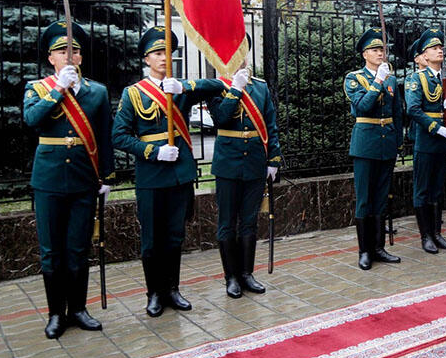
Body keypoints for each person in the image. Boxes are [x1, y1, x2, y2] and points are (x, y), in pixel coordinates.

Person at [112, 26, 225, 315]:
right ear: (146, 59)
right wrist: (153, 151)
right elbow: (120, 136)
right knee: (151, 239)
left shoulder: (178, 89)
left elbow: (219, 86)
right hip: (151, 175)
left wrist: (184, 87)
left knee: (175, 235)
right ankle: (154, 293)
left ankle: (173, 290)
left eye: (168, 53)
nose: (165, 58)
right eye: (158, 53)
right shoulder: (133, 94)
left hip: (180, 175)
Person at [24, 22, 113, 339]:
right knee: (51, 251)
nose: (70, 55)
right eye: (63, 51)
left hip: (83, 180)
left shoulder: (97, 92)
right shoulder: (36, 88)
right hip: (48, 180)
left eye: (75, 50)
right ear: (51, 58)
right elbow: (33, 120)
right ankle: (55, 314)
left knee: (78, 247)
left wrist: (106, 176)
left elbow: (104, 137)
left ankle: (77, 309)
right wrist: (58, 90)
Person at [208, 37, 282, 298]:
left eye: (243, 51)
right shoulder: (217, 87)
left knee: (249, 221)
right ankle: (231, 277)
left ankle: (247, 273)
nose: (239, 57)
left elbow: (271, 126)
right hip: (228, 164)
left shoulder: (260, 88)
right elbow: (220, 118)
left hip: (254, 162)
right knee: (227, 221)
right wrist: (235, 89)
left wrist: (273, 159)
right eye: (233, 51)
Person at [342, 28, 404, 270]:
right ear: (365, 54)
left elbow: (398, 113)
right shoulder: (354, 78)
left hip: (386, 142)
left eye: (382, 49)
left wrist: (398, 142)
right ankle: (364, 251)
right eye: (376, 50)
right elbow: (364, 106)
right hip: (365, 144)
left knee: (381, 199)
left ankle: (379, 248)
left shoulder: (390, 79)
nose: (381, 53)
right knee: (365, 199)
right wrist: (378, 80)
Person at [404, 29, 446, 254]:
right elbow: (413, 109)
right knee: (423, 188)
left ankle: (437, 234)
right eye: (433, 48)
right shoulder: (416, 79)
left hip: (443, 140)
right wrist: (437, 128)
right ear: (423, 56)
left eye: (440, 47)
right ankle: (425, 236)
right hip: (427, 139)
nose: (440, 50)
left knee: (438, 188)